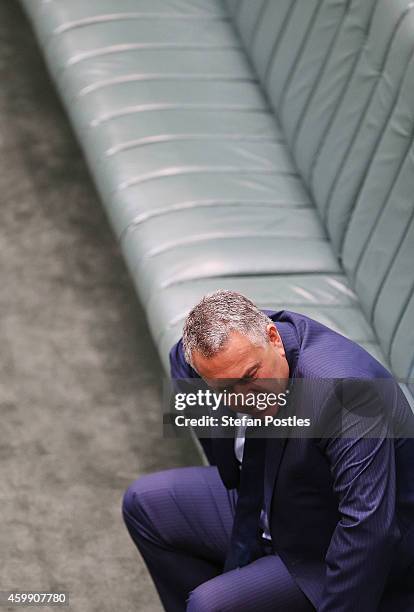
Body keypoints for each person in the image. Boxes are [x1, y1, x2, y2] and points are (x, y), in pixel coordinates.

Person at [122, 289, 414, 611]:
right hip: (267, 498)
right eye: (226, 389)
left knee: (209, 605)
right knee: (144, 503)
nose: (246, 398)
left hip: (326, 543)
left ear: (273, 338)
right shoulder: (214, 359)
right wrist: (236, 474)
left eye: (251, 376)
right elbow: (181, 364)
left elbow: (368, 531)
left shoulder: (346, 393)